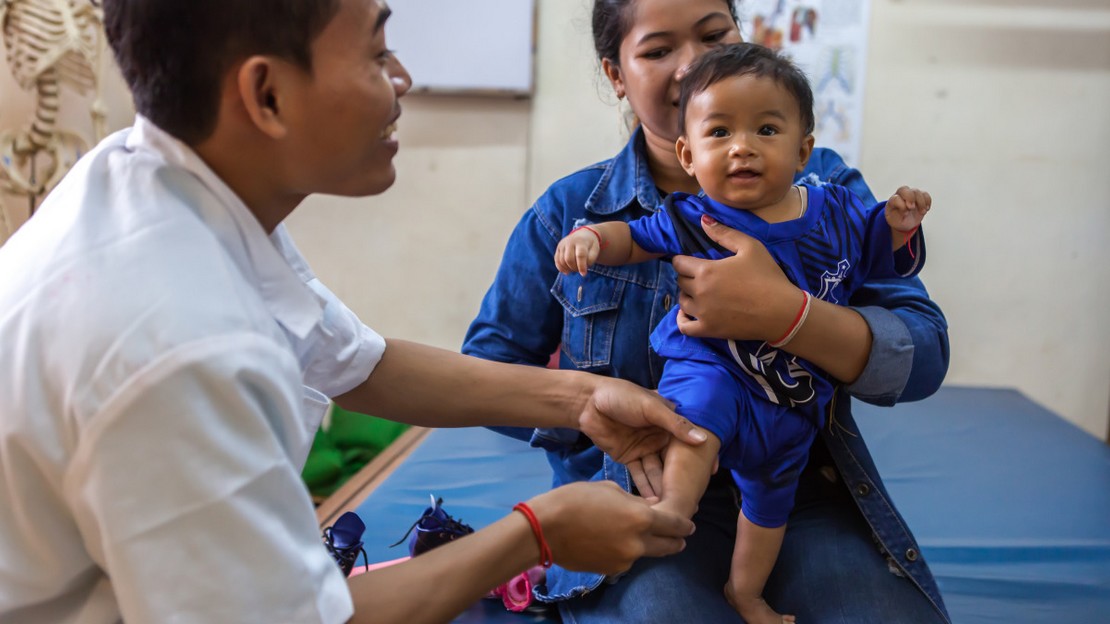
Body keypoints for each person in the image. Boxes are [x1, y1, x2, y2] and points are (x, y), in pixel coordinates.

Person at [0, 1, 713, 623]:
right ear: (266, 93)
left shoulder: (162, 186)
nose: (401, 78)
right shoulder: (179, 346)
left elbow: (356, 360)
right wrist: (537, 532)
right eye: (376, 53)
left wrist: (584, 396)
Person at [462, 0, 952, 622]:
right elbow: (487, 365)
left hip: (798, 487)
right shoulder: (571, 210)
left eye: (714, 34)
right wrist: (597, 413)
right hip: (637, 495)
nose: (694, 63)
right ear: (616, 74)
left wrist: (788, 315)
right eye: (658, 50)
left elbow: (924, 355)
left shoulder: (823, 192)